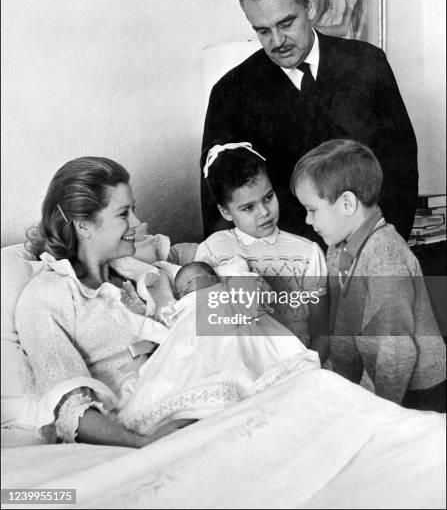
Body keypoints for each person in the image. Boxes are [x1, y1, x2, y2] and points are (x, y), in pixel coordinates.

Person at [15, 156, 316, 447]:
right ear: (83, 225)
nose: (137, 222)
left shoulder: (149, 273)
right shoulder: (46, 297)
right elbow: (69, 405)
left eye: (133, 209)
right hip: (145, 420)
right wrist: (144, 443)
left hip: (211, 391)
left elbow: (213, 285)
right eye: (123, 214)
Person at [200, 0, 418, 246]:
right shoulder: (230, 93)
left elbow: (400, 169)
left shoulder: (368, 64)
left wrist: (381, 248)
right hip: (283, 266)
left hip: (368, 251)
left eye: (286, 23)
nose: (277, 41)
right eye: (262, 30)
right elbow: (219, 202)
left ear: (310, 6)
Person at [290, 139, 446, 411]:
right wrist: (344, 390)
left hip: (422, 390)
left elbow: (397, 354)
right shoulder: (337, 250)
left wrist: (379, 413)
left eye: (312, 210)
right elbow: (343, 331)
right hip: (388, 379)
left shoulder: (385, 257)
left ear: (347, 203)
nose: (307, 220)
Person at [195, 141, 329, 362]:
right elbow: (206, 329)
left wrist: (311, 366)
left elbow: (322, 330)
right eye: (248, 207)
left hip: (300, 363)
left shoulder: (308, 253)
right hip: (241, 365)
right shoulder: (212, 251)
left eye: (268, 197)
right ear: (225, 211)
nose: (264, 212)